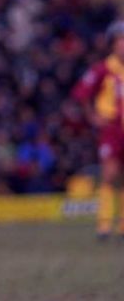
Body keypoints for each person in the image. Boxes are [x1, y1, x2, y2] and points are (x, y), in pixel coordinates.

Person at [72, 20, 124, 240]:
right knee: (110, 174)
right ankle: (104, 226)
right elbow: (82, 93)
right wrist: (93, 116)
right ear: (113, 44)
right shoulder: (103, 68)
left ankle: (122, 227)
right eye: (120, 41)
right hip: (112, 128)